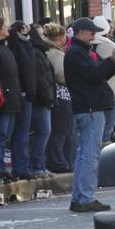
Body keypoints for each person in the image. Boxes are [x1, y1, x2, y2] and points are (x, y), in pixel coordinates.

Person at [65, 17, 115, 212]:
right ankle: (85, 197)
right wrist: (111, 60)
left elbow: (98, 74)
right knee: (89, 155)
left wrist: (113, 63)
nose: (93, 36)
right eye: (91, 32)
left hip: (88, 108)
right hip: (89, 109)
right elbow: (94, 75)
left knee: (85, 154)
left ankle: (80, 196)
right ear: (81, 32)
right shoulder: (76, 54)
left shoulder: (79, 52)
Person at [0, 17, 22, 182]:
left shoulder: (4, 48)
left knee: (6, 135)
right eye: (4, 27)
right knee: (0, 134)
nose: (8, 29)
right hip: (3, 99)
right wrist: (3, 93)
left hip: (11, 97)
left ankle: (1, 167)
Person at [92, 16, 115, 144]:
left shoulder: (92, 44)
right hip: (112, 90)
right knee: (108, 128)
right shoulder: (108, 45)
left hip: (100, 90)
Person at [43, 23, 74, 173]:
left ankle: (62, 160)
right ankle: (57, 161)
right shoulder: (56, 54)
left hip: (60, 95)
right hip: (62, 95)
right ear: (61, 38)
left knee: (63, 130)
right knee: (61, 130)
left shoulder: (51, 52)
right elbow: (61, 75)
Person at [8, 21, 37, 180]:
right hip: (21, 94)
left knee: (23, 133)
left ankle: (22, 166)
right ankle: (20, 167)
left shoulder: (26, 45)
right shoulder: (17, 45)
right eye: (26, 27)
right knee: (20, 133)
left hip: (27, 93)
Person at [28, 26, 56, 178]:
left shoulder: (41, 53)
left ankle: (40, 165)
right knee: (43, 132)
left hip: (43, 99)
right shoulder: (37, 53)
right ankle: (37, 166)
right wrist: (48, 99)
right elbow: (41, 79)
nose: (44, 37)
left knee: (44, 133)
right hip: (41, 101)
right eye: (41, 34)